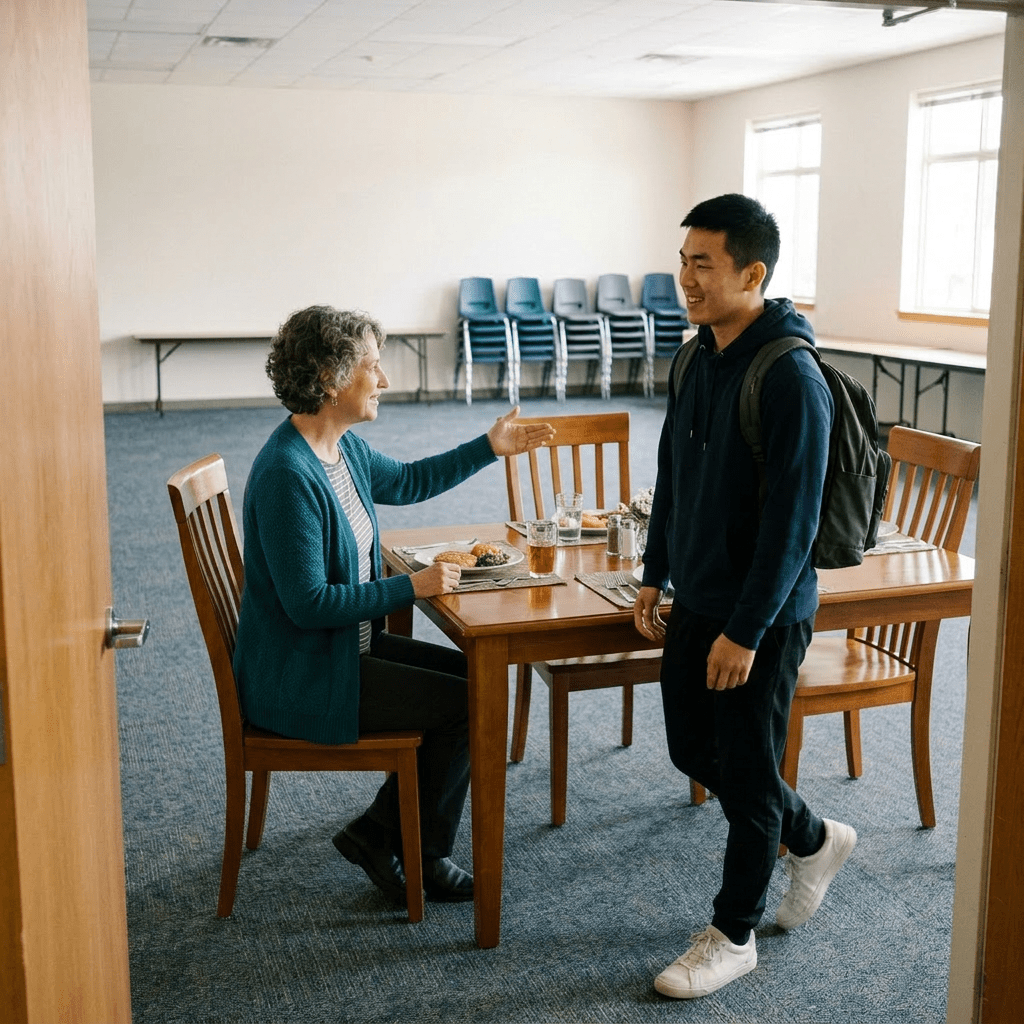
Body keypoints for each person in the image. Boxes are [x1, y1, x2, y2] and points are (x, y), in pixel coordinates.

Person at [232, 305, 554, 907]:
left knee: (477, 679)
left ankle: (384, 836)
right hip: (303, 672)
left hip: (338, 648)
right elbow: (308, 606)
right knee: (468, 700)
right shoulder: (287, 473)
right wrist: (416, 587)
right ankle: (413, 849)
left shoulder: (340, 449)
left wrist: (491, 445)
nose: (383, 381)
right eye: (373, 368)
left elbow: (408, 482)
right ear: (331, 379)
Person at [634, 194, 857, 999]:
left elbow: (793, 529)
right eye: (683, 259)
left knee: (750, 770)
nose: (685, 277)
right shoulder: (696, 355)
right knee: (694, 751)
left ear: (751, 273)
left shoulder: (792, 377)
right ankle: (813, 835)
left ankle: (734, 934)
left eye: (704, 263)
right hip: (696, 597)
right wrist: (655, 572)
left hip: (759, 619)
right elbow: (674, 478)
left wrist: (747, 631)